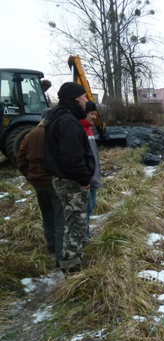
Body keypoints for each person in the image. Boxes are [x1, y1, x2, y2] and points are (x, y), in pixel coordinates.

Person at [44, 82, 95, 274]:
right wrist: (84, 180)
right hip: (71, 182)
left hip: (64, 180)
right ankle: (72, 267)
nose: (86, 101)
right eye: (84, 97)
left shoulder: (59, 118)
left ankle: (72, 259)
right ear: (76, 98)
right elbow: (73, 159)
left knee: (73, 222)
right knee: (76, 225)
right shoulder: (67, 122)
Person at [16, 109, 65, 265]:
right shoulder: (54, 135)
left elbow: (21, 160)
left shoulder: (29, 135)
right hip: (53, 181)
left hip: (38, 183)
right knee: (60, 219)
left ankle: (50, 245)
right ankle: (61, 255)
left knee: (47, 214)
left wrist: (30, 177)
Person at [79, 101, 102, 242]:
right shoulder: (79, 129)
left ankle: (85, 232)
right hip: (85, 179)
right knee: (85, 207)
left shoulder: (89, 129)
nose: (94, 117)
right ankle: (82, 237)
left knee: (91, 205)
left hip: (92, 177)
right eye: (92, 113)